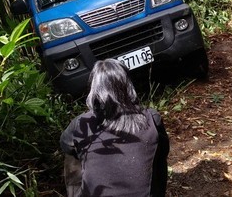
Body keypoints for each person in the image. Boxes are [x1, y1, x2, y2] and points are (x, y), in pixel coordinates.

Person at [60, 59, 170, 197]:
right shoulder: (151, 118)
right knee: (157, 155)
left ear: (94, 89)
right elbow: (164, 151)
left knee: (71, 154)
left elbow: (64, 144)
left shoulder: (81, 123)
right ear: (128, 85)